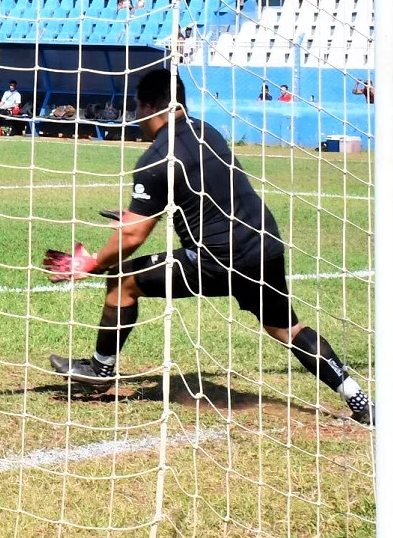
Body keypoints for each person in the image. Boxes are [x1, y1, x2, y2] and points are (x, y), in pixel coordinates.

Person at [43, 68, 372, 425]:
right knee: (287, 329)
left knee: (122, 281)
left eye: (137, 107)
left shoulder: (155, 159)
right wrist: (137, 215)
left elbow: (133, 237)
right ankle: (356, 396)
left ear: (149, 107)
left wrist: (92, 264)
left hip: (216, 257)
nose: (136, 117)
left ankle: (100, 370)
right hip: (263, 244)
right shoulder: (207, 131)